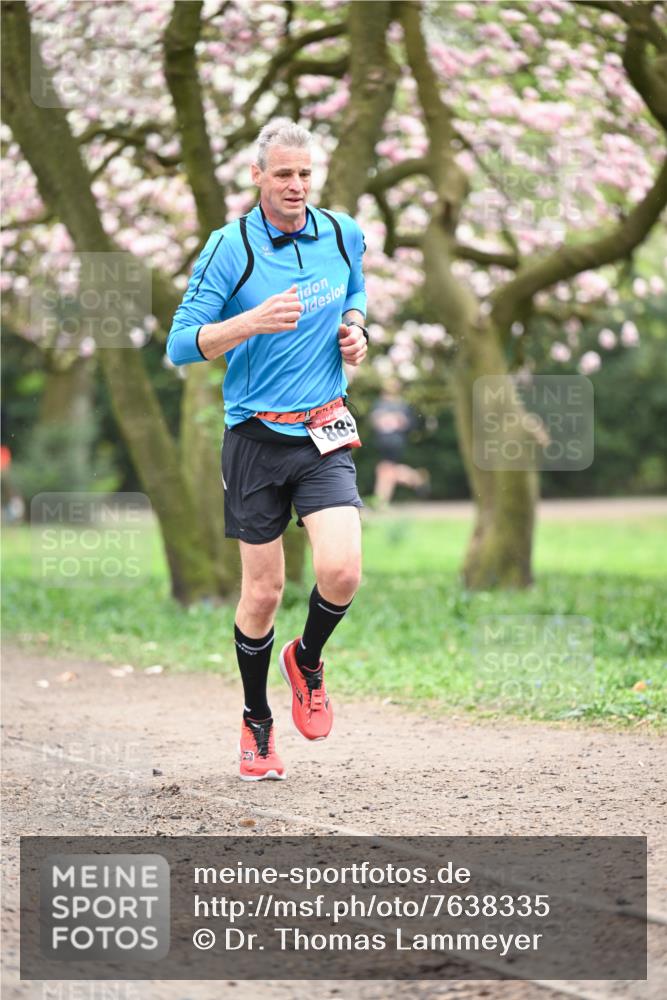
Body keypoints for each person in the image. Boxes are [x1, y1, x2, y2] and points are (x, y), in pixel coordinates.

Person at [167, 119, 368, 782]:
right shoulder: (230, 249)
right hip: (254, 436)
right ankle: (257, 723)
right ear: (257, 177)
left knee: (340, 572)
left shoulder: (342, 232)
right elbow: (179, 344)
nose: (296, 186)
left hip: (323, 431)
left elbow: (356, 291)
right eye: (283, 174)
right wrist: (250, 322)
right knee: (264, 591)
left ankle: (305, 659)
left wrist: (355, 328)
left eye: (305, 174)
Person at [370, 378, 429, 505]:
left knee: (385, 469)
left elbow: (410, 424)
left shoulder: (401, 405)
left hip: (394, 442)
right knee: (386, 470)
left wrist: (399, 421)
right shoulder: (381, 404)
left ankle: (380, 501)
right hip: (383, 441)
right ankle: (415, 478)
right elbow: (375, 421)